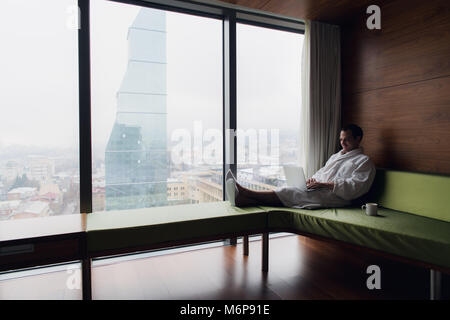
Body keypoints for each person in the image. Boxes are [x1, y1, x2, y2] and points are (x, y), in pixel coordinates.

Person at [225, 124, 376, 209]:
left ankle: (245, 192)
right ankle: (244, 199)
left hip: (337, 197)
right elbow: (322, 172)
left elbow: (356, 187)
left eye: (347, 139)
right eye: (341, 139)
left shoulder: (364, 161)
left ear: (358, 139)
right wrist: (312, 181)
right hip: (320, 190)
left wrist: (324, 184)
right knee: (294, 189)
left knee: (289, 192)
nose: (342, 143)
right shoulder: (336, 156)